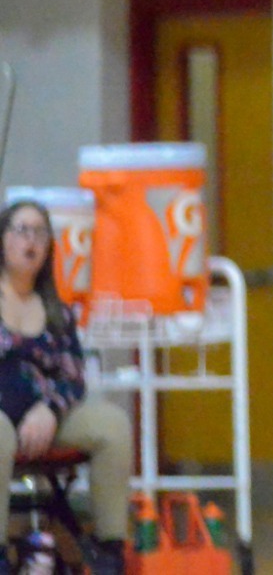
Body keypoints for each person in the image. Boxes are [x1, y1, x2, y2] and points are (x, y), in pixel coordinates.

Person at [0, 199, 129, 575]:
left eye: (40, 232)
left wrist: (49, 411)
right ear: (3, 240)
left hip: (46, 417)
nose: (32, 240)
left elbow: (73, 375)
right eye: (22, 230)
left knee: (112, 425)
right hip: (3, 414)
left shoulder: (57, 308)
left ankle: (109, 548)